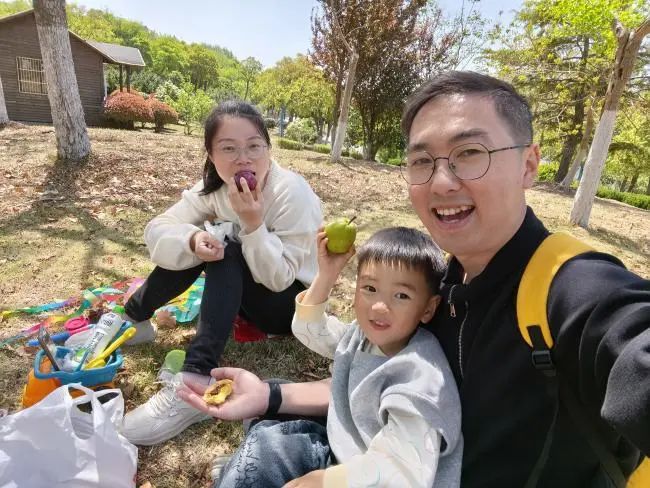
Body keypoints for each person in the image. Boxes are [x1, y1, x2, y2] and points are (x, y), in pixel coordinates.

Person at [180, 71, 650, 487]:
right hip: (380, 448)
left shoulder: (573, 289)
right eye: (423, 161)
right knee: (268, 433)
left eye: (470, 152)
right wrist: (268, 394)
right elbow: (374, 381)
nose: (441, 181)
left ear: (528, 164)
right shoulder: (443, 286)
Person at [180, 226, 462, 487]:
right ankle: (244, 465)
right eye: (370, 289)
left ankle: (243, 468)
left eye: (401, 296)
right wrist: (327, 273)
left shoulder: (420, 377)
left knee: (266, 447)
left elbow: (402, 469)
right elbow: (309, 329)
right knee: (270, 398)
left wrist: (327, 480)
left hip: (362, 474)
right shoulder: (361, 336)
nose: (379, 306)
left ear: (428, 308)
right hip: (344, 440)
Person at [120, 100, 323, 446]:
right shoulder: (213, 189)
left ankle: (196, 377)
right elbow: (158, 227)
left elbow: (281, 279)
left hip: (288, 307)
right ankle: (133, 319)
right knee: (204, 241)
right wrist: (191, 239)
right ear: (211, 155)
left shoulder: (291, 192)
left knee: (226, 247)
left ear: (268, 149)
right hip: (244, 295)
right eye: (229, 148)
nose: (244, 159)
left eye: (254, 146)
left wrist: (253, 224)